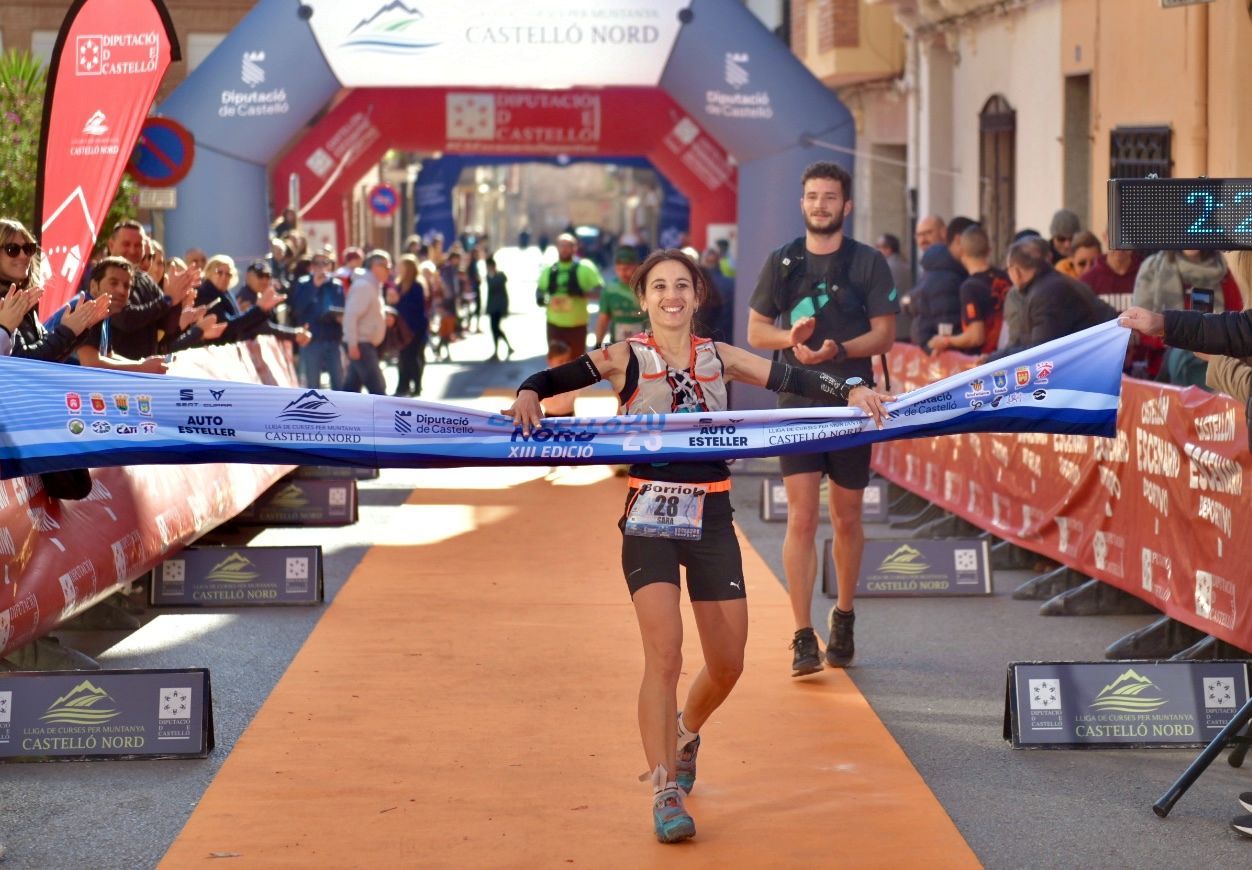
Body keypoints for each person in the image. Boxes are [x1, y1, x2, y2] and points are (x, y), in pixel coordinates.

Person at [504, 249, 889, 844]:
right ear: (644, 299)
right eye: (659, 286)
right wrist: (530, 391)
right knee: (665, 655)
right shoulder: (623, 356)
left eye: (681, 285)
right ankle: (664, 788)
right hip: (649, 515)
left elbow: (793, 377)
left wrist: (853, 390)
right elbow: (553, 378)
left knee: (729, 661)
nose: (670, 295)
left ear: (698, 294)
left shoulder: (720, 357)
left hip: (711, 513)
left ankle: (686, 730)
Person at [746, 161, 898, 676]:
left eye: (830, 197)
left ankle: (845, 614)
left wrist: (838, 347)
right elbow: (755, 332)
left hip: (856, 404)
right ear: (802, 201)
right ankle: (801, 635)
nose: (820, 205)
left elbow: (884, 335)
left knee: (847, 519)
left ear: (846, 205)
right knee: (802, 518)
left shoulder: (869, 262)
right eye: (812, 196)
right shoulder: (782, 261)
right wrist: (791, 341)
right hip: (797, 403)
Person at [985, 239, 1118, 361]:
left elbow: (1040, 351)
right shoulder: (1049, 283)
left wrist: (995, 359)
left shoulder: (1046, 292)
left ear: (1016, 270)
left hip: (1095, 361)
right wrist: (997, 357)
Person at [929, 224, 1011, 356]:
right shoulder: (1006, 277)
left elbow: (976, 337)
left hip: (987, 361)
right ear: (989, 250)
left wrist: (945, 341)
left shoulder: (970, 287)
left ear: (962, 251)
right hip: (1010, 354)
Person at [536, 232, 603, 361]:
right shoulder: (549, 270)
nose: (564, 249)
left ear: (575, 248)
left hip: (577, 326)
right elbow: (540, 289)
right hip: (554, 325)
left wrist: (582, 293)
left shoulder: (586, 268)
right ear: (556, 247)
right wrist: (540, 298)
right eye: (561, 245)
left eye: (568, 245)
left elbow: (601, 292)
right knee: (556, 363)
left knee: (576, 365)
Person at [290, 252, 346, 389]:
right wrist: (314, 286)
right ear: (311, 266)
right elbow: (297, 309)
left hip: (332, 339)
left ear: (330, 266)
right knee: (312, 384)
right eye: (317, 263)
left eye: (325, 263)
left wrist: (339, 317)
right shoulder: (303, 283)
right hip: (312, 341)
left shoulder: (336, 285)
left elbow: (342, 307)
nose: (321, 267)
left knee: (338, 382)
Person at [342, 249, 390, 395]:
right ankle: (385, 417)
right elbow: (351, 316)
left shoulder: (372, 285)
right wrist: (353, 345)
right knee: (378, 388)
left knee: (351, 388)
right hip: (361, 344)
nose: (389, 271)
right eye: (387, 267)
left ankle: (340, 414)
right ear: (375, 267)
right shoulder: (364, 286)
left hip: (363, 343)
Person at [595, 247, 648, 346]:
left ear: (637, 266)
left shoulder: (646, 288)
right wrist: (598, 343)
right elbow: (603, 319)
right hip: (617, 345)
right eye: (619, 269)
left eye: (627, 268)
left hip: (645, 345)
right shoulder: (610, 290)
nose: (623, 273)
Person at [393, 254, 429, 396]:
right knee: (403, 358)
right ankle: (403, 385)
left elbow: (417, 308)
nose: (398, 269)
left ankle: (417, 385)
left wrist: (399, 300)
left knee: (412, 357)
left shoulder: (416, 285)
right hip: (402, 328)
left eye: (401, 266)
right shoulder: (399, 285)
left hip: (414, 328)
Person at [483, 257, 513, 361]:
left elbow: (503, 293)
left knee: (496, 328)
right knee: (494, 329)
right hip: (492, 306)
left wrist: (505, 308)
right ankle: (505, 348)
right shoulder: (488, 277)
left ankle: (501, 349)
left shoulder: (500, 276)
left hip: (499, 306)